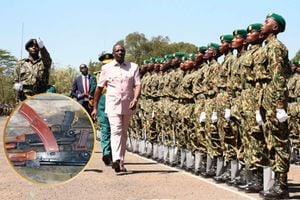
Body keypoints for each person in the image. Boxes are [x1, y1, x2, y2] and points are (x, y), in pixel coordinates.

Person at [92, 44, 141, 173]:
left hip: (128, 104)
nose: (120, 52)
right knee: (115, 131)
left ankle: (121, 162)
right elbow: (99, 88)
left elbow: (137, 85)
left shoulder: (133, 67)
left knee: (123, 133)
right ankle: (116, 159)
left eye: (122, 50)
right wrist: (95, 107)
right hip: (112, 105)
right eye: (117, 51)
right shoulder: (106, 68)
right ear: (113, 53)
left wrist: (135, 99)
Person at [258, 13, 291, 199]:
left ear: (275, 28)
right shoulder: (267, 47)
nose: (264, 24)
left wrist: (279, 106)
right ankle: (275, 183)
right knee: (270, 142)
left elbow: (279, 77)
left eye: (267, 22)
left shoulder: (276, 48)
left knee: (279, 143)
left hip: (274, 102)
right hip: (267, 101)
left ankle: (282, 185)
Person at [97, 52, 114, 165]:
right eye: (104, 64)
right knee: (105, 129)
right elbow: (96, 91)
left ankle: (114, 154)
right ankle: (106, 154)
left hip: (114, 100)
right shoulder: (99, 75)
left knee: (115, 130)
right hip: (103, 101)